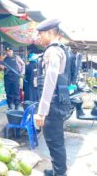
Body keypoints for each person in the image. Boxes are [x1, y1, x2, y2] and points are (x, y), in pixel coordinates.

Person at [34, 19, 71, 176]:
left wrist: (42, 111)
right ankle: (58, 170)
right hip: (58, 102)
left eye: (41, 34)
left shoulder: (53, 52)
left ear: (50, 33)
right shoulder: (60, 49)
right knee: (56, 140)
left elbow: (50, 81)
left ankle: (60, 173)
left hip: (53, 104)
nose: (39, 37)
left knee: (54, 142)